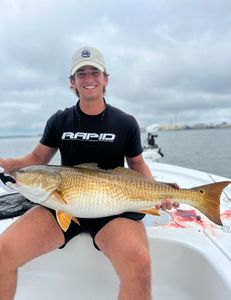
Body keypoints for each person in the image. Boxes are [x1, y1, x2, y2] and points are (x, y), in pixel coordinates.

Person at [0, 46, 179, 300]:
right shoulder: (59, 121)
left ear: (106, 78)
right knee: (2, 252)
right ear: (72, 82)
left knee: (139, 262)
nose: (88, 79)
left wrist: (157, 194)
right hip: (61, 203)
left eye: (94, 72)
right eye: (81, 74)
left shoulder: (125, 122)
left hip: (113, 208)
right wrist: (7, 163)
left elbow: (137, 164)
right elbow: (37, 159)